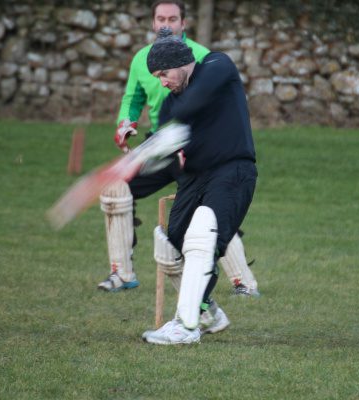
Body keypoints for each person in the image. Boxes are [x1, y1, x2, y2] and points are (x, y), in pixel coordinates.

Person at [98, 0, 259, 298]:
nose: (166, 25)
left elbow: (210, 104)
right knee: (115, 187)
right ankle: (122, 273)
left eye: (172, 19)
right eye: (160, 18)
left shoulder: (200, 57)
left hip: (203, 148)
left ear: (183, 23)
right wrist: (126, 122)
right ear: (152, 21)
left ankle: (242, 281)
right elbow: (132, 98)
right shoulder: (141, 59)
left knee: (209, 211)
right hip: (162, 145)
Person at [141, 27, 257, 345]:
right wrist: (132, 174)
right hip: (194, 178)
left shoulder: (218, 67)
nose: (162, 81)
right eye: (157, 76)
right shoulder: (170, 103)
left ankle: (186, 326)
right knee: (169, 243)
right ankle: (207, 312)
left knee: (203, 231)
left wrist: (165, 135)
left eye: (164, 73)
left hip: (233, 170)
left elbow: (195, 102)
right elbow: (166, 158)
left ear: (182, 62)